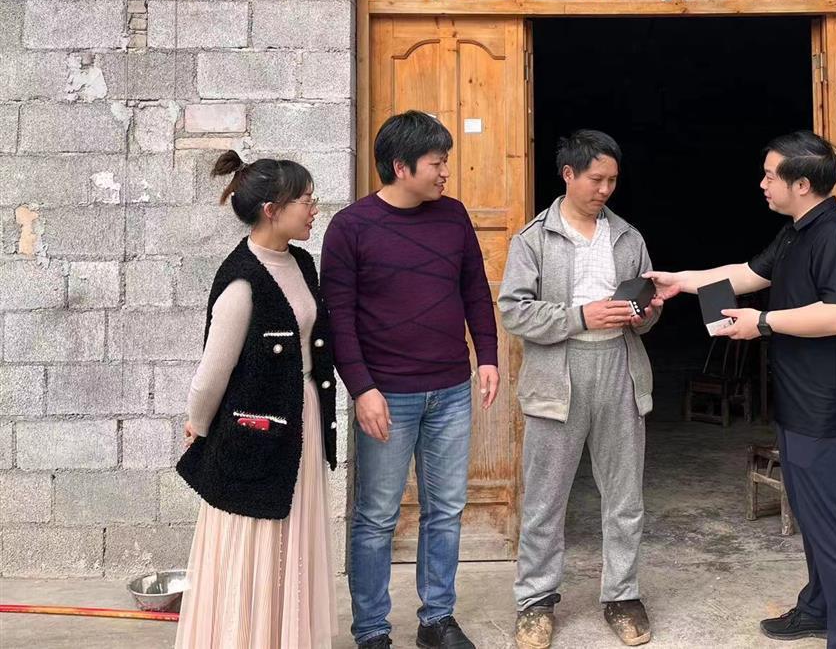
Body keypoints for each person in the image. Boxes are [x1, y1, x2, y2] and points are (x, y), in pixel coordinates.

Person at [648, 131, 836, 649]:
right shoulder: (797, 232)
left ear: (802, 183)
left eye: (771, 175)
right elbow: (746, 274)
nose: (763, 183)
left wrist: (764, 323)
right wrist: (679, 280)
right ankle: (818, 608)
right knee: (814, 521)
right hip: (799, 404)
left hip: (828, 409)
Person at [321, 111, 500, 649]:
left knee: (445, 510)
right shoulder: (350, 227)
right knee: (377, 516)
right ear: (401, 167)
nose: (445, 172)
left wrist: (487, 356)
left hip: (451, 391)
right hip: (387, 396)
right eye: (436, 163)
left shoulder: (453, 216)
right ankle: (372, 630)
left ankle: (436, 619)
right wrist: (362, 388)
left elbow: (474, 290)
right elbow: (338, 319)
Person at [499, 130, 663, 649]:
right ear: (568, 174)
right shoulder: (533, 239)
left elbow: (645, 315)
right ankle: (535, 600)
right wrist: (580, 316)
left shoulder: (628, 237)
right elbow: (513, 311)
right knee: (546, 497)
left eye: (612, 180)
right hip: (558, 372)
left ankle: (622, 594)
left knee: (624, 495)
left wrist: (646, 313)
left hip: (620, 366)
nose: (605, 189)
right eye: (596, 179)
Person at [175, 151, 339, 649]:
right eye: (306, 200)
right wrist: (198, 424)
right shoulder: (242, 281)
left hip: (302, 419)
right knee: (256, 539)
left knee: (295, 534)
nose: (314, 209)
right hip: (256, 435)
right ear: (272, 209)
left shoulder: (301, 263)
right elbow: (212, 373)